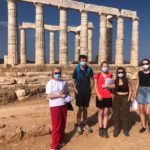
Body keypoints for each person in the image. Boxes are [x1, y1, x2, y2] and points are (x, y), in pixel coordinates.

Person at [46, 67, 68, 150]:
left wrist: (64, 93)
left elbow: (66, 92)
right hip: (55, 106)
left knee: (63, 123)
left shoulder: (63, 82)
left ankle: (61, 140)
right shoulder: (50, 83)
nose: (57, 74)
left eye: (59, 73)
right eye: (55, 73)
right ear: (52, 73)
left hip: (64, 104)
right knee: (56, 126)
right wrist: (59, 95)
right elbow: (48, 96)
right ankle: (54, 146)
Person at [72, 55, 94, 134]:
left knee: (85, 108)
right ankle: (78, 124)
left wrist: (91, 88)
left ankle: (84, 123)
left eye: (84, 60)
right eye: (82, 60)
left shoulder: (89, 69)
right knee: (80, 108)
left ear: (86, 61)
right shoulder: (77, 69)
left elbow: (92, 79)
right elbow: (73, 80)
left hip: (87, 91)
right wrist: (75, 89)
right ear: (79, 61)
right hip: (79, 91)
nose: (83, 62)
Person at [94, 61, 114, 138]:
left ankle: (105, 129)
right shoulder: (97, 75)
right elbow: (95, 86)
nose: (105, 67)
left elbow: (113, 86)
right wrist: (98, 94)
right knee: (100, 113)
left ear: (108, 67)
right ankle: (100, 128)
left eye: (106, 66)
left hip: (108, 96)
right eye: (103, 66)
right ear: (101, 67)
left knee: (106, 113)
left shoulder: (110, 75)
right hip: (100, 96)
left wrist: (107, 87)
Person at [113, 67, 132, 137]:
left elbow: (130, 89)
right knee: (116, 114)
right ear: (117, 73)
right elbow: (112, 89)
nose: (120, 73)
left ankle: (125, 129)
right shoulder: (115, 80)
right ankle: (117, 129)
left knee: (125, 114)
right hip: (117, 97)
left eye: (121, 72)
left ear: (124, 73)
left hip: (125, 97)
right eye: (119, 72)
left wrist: (128, 99)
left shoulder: (127, 80)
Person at [135, 58, 150, 133]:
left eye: (146, 63)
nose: (145, 65)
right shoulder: (139, 73)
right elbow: (137, 83)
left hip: (149, 91)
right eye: (143, 64)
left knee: (148, 112)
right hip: (140, 91)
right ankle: (143, 126)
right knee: (141, 110)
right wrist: (135, 94)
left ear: (149, 64)